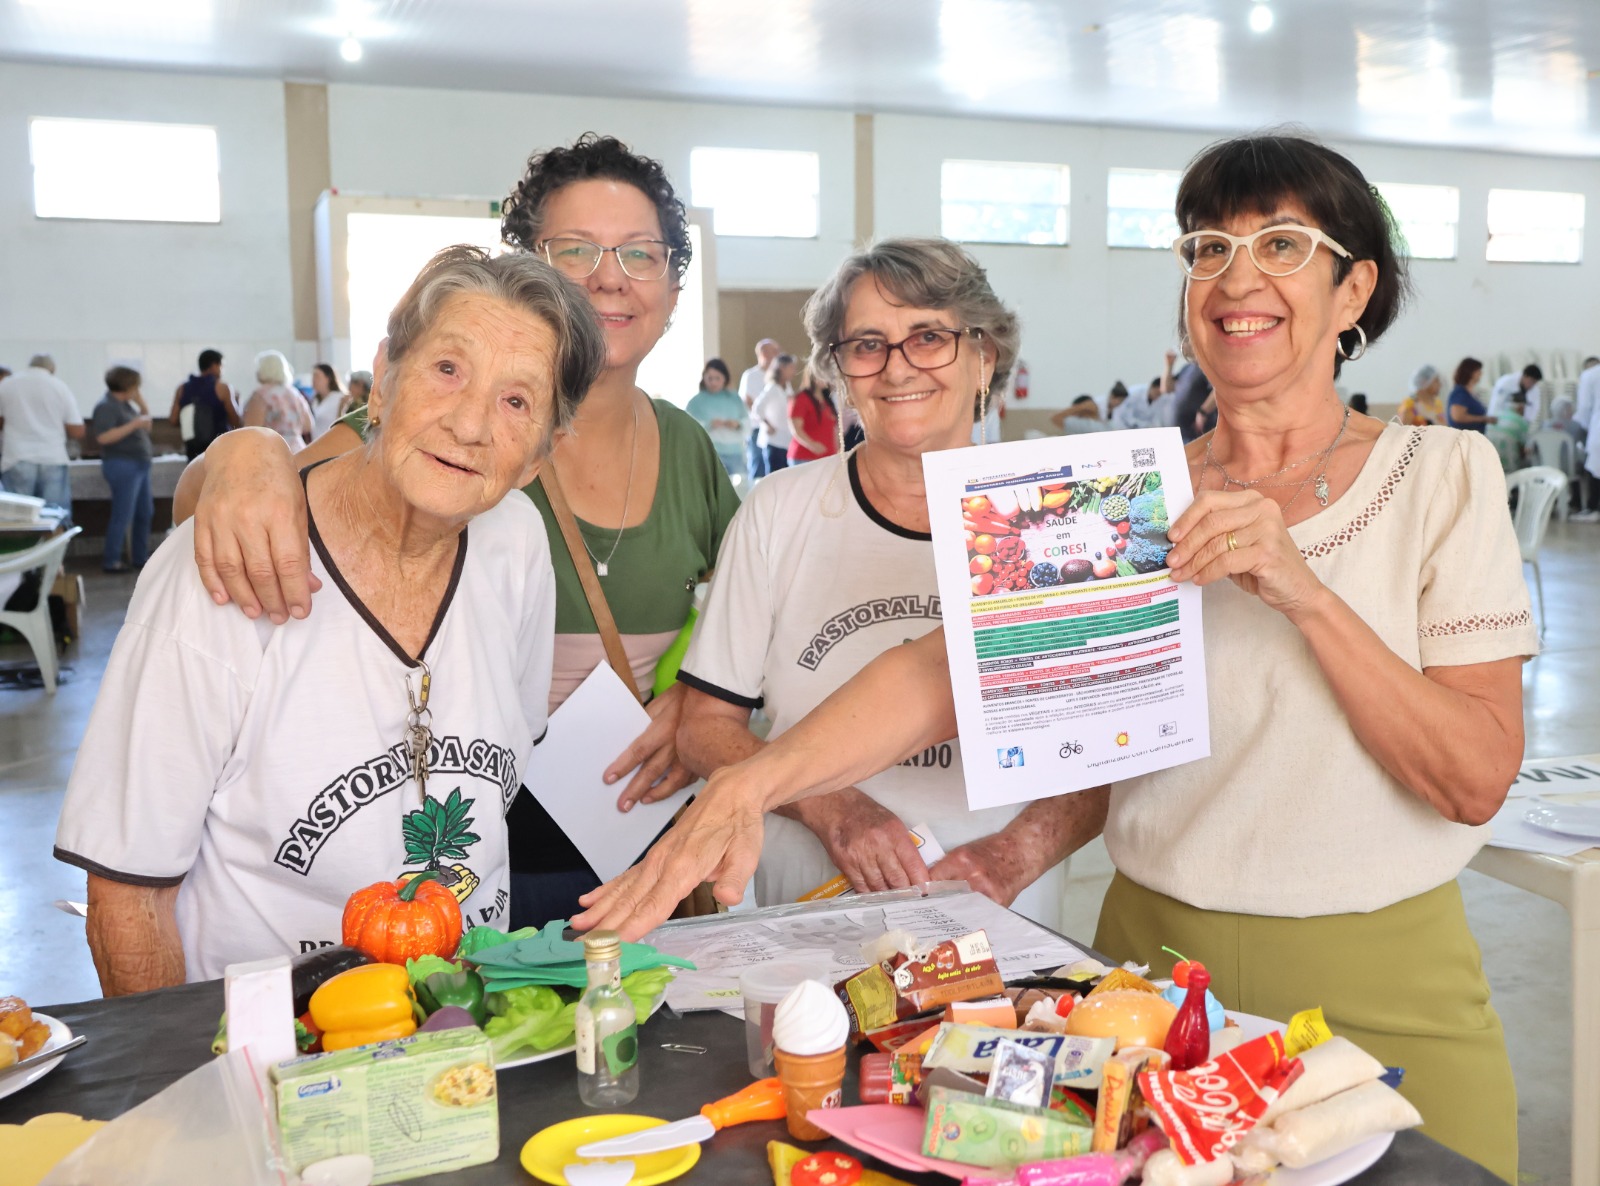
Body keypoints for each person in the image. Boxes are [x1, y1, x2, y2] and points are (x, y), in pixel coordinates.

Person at [577, 132, 1535, 1185]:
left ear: (1354, 289)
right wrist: (754, 782)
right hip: (1154, 980)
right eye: (1207, 248)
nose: (1235, 277)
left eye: (1283, 244)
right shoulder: (1124, 487)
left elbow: (1474, 774)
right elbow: (949, 673)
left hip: (1386, 971)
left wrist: (1300, 590)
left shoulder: (1443, 472)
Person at [170, 134, 740, 931]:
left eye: (640, 255)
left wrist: (696, 697)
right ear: (528, 269)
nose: (609, 276)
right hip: (460, 832)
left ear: (675, 289)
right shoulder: (435, 434)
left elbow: (750, 613)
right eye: (575, 249)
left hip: (633, 819)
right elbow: (205, 508)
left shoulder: (685, 448)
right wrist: (246, 450)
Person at [54, 246, 605, 993]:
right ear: (383, 380)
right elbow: (128, 897)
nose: (472, 423)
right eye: (448, 370)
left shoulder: (515, 545)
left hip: (466, 1036)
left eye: (517, 402)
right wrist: (191, 1097)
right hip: (267, 1059)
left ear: (542, 453)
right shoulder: (220, 568)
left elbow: (501, 767)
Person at [660, 238, 1074, 925]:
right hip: (811, 916)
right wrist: (834, 808)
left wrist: (1013, 856)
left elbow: (1120, 747)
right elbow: (705, 728)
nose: (897, 367)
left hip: (1008, 921)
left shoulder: (1054, 514)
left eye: (930, 337)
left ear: (986, 356)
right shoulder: (778, 512)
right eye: (867, 345)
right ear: (840, 371)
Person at [0, 354, 85, 516]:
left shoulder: (7, 385)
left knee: (17, 517)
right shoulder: (59, 386)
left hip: (17, 456)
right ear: (52, 370)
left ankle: (21, 542)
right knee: (55, 515)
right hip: (52, 457)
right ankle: (55, 542)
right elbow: (77, 430)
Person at [90, 366, 155, 572]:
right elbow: (103, 437)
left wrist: (141, 403)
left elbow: (147, 425)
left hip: (139, 464)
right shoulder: (106, 406)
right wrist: (134, 424)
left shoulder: (126, 405)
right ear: (128, 385)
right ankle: (111, 560)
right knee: (123, 514)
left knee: (145, 513)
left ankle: (139, 557)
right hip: (123, 465)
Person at [169, 349, 240, 459]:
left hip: (193, 450)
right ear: (215, 365)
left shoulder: (182, 388)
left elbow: (173, 420)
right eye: (222, 366)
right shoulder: (222, 388)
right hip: (219, 448)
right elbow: (236, 421)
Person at [685, 358, 748, 478]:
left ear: (725, 378)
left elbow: (747, 423)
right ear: (704, 378)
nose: (713, 383)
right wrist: (708, 425)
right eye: (710, 378)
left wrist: (737, 425)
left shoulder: (735, 399)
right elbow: (688, 428)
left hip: (735, 453)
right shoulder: (695, 402)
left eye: (717, 378)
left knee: (739, 489)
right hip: (709, 454)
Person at [245, 350, 314, 452]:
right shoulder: (294, 393)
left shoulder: (260, 395)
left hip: (272, 450)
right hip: (298, 450)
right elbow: (308, 426)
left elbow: (251, 430)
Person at [741, 339, 780, 481]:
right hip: (758, 429)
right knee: (758, 467)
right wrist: (765, 423)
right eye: (773, 352)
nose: (777, 355)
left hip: (777, 431)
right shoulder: (751, 376)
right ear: (763, 353)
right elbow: (749, 402)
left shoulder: (778, 377)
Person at [1110, 350, 1177, 429]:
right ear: (1152, 387)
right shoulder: (1134, 393)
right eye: (1157, 393)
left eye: (1160, 394)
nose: (1158, 396)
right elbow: (1120, 413)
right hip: (1125, 426)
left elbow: (1160, 417)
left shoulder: (1164, 398)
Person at [753, 353, 796, 474]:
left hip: (786, 439)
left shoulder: (787, 387)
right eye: (791, 368)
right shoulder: (771, 388)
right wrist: (766, 424)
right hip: (773, 440)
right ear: (782, 368)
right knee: (774, 474)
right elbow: (757, 409)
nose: (794, 372)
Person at [786, 366, 837, 464]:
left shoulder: (827, 400)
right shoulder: (801, 399)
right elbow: (796, 429)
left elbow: (833, 428)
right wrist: (812, 445)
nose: (827, 378)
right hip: (804, 458)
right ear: (813, 376)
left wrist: (837, 449)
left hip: (826, 458)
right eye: (823, 375)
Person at [1445, 357, 1494, 432]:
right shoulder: (1460, 393)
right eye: (1478, 371)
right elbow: (1458, 416)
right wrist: (1484, 418)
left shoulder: (1470, 393)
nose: (1481, 373)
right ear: (1471, 372)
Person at [1487, 396, 1530, 473]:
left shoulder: (1496, 414)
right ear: (1520, 407)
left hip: (1488, 459)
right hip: (1509, 463)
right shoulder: (1521, 421)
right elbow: (1522, 449)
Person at [308, 363, 347, 439]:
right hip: (316, 443)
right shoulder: (315, 401)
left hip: (332, 442)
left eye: (317, 376)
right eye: (313, 376)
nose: (313, 380)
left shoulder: (339, 398)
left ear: (328, 378)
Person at [1048, 394, 1113, 434]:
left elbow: (1055, 418)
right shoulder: (1080, 423)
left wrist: (1079, 407)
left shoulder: (1088, 424)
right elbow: (1055, 418)